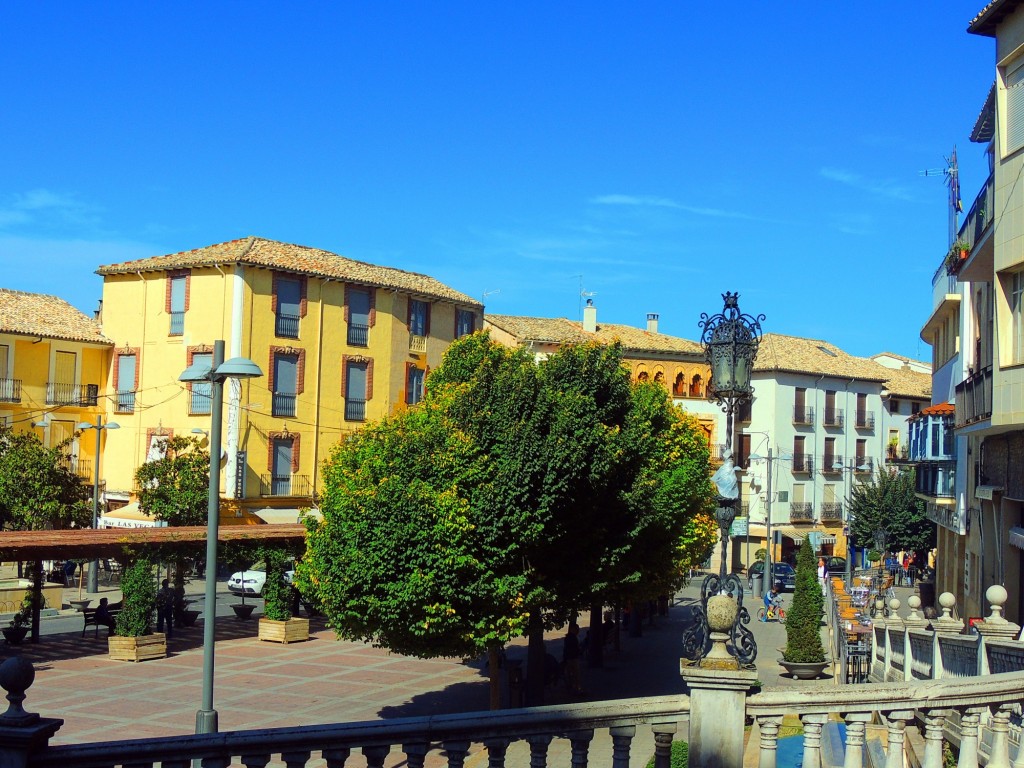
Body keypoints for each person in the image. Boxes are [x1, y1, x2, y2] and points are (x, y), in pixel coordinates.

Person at [562, 622, 582, 695]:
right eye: (577, 629)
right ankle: (577, 688)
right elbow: (573, 649)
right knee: (576, 674)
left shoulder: (569, 638)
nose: (578, 631)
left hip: (569, 657)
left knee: (571, 674)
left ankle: (573, 687)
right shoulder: (572, 638)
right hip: (572, 658)